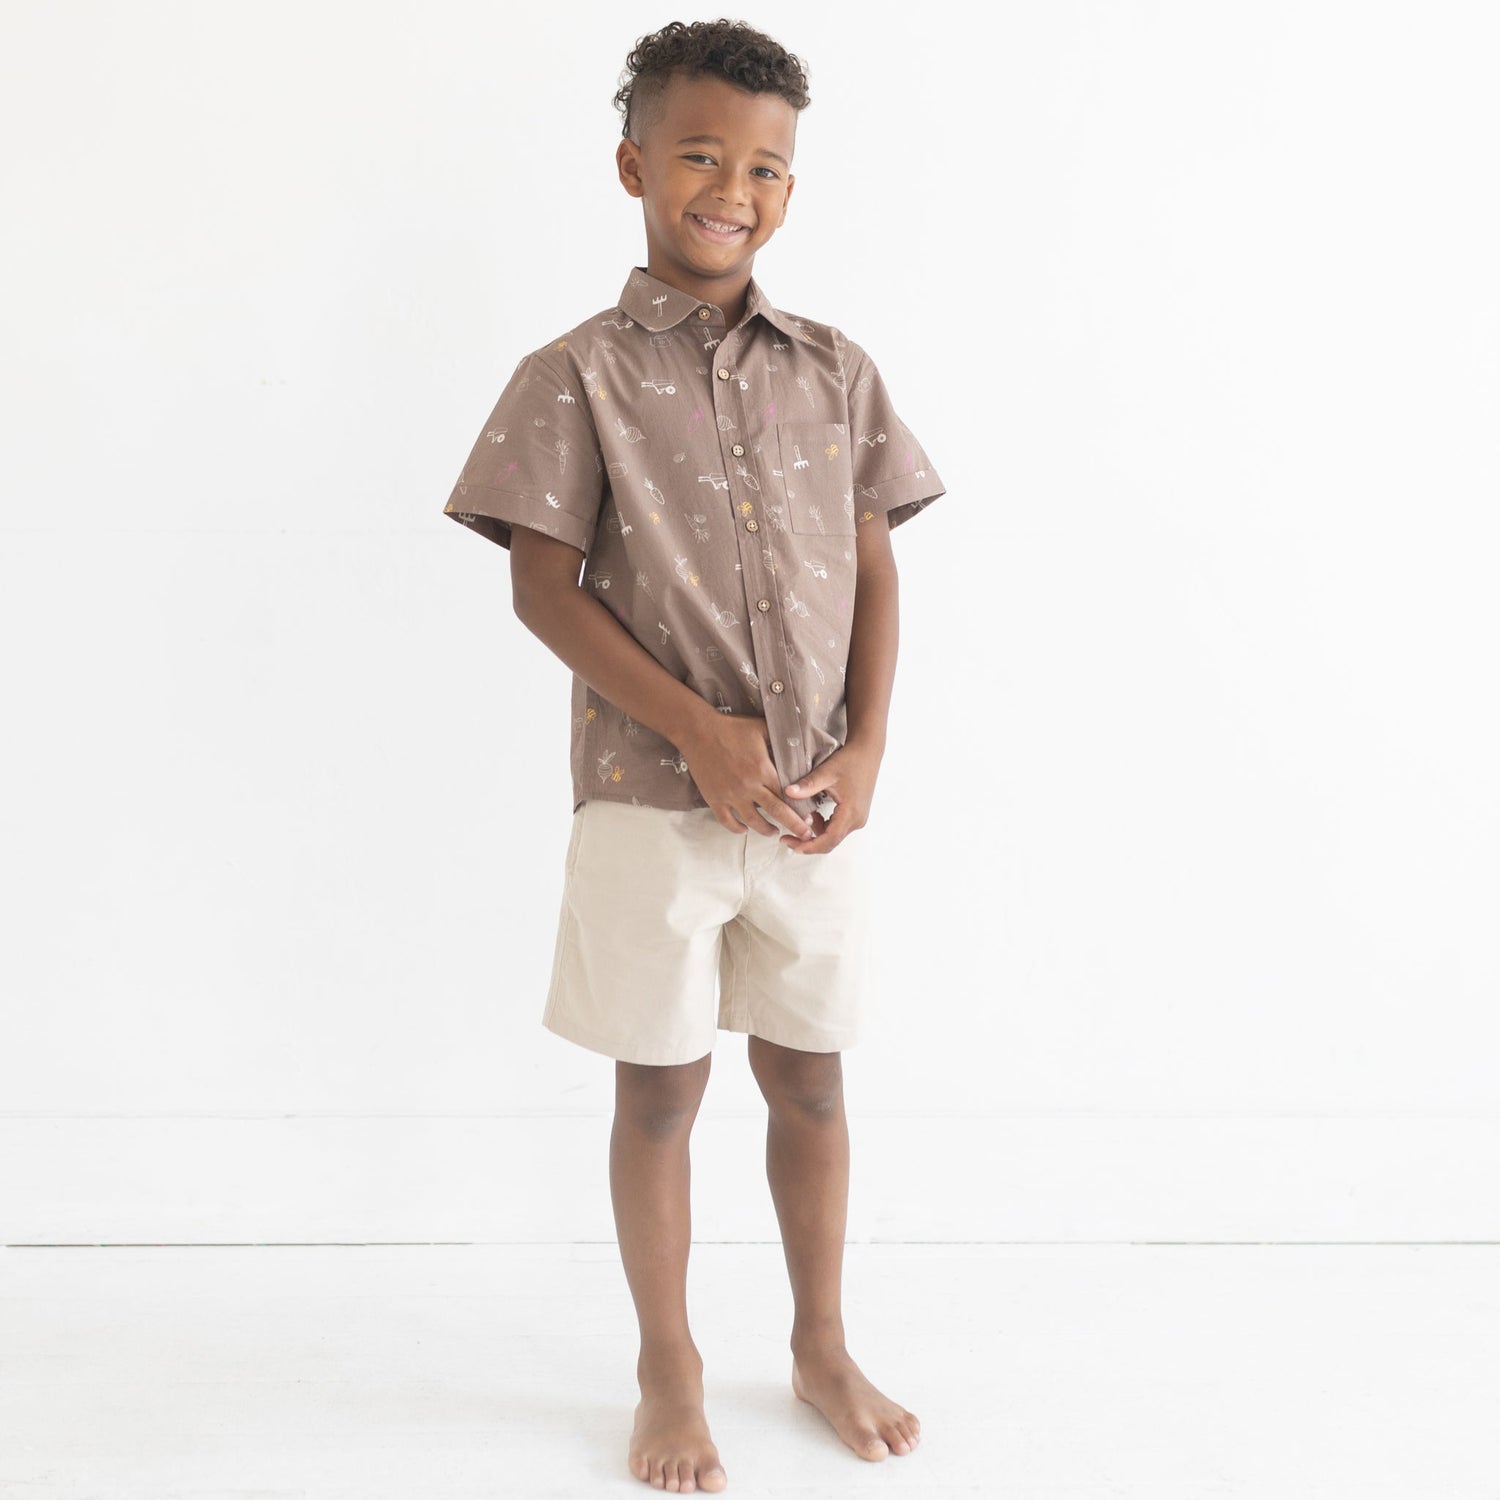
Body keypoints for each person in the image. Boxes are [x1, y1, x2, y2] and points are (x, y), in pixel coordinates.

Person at [442, 18, 944, 1494]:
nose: (733, 190)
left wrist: (868, 748)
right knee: (658, 1097)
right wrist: (700, 731)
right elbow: (543, 591)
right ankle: (668, 1364)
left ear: (792, 186)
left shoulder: (838, 370)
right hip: (647, 811)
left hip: (807, 811)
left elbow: (877, 567)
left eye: (765, 168)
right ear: (634, 165)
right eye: (702, 157)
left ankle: (820, 1345)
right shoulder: (572, 375)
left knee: (813, 1084)